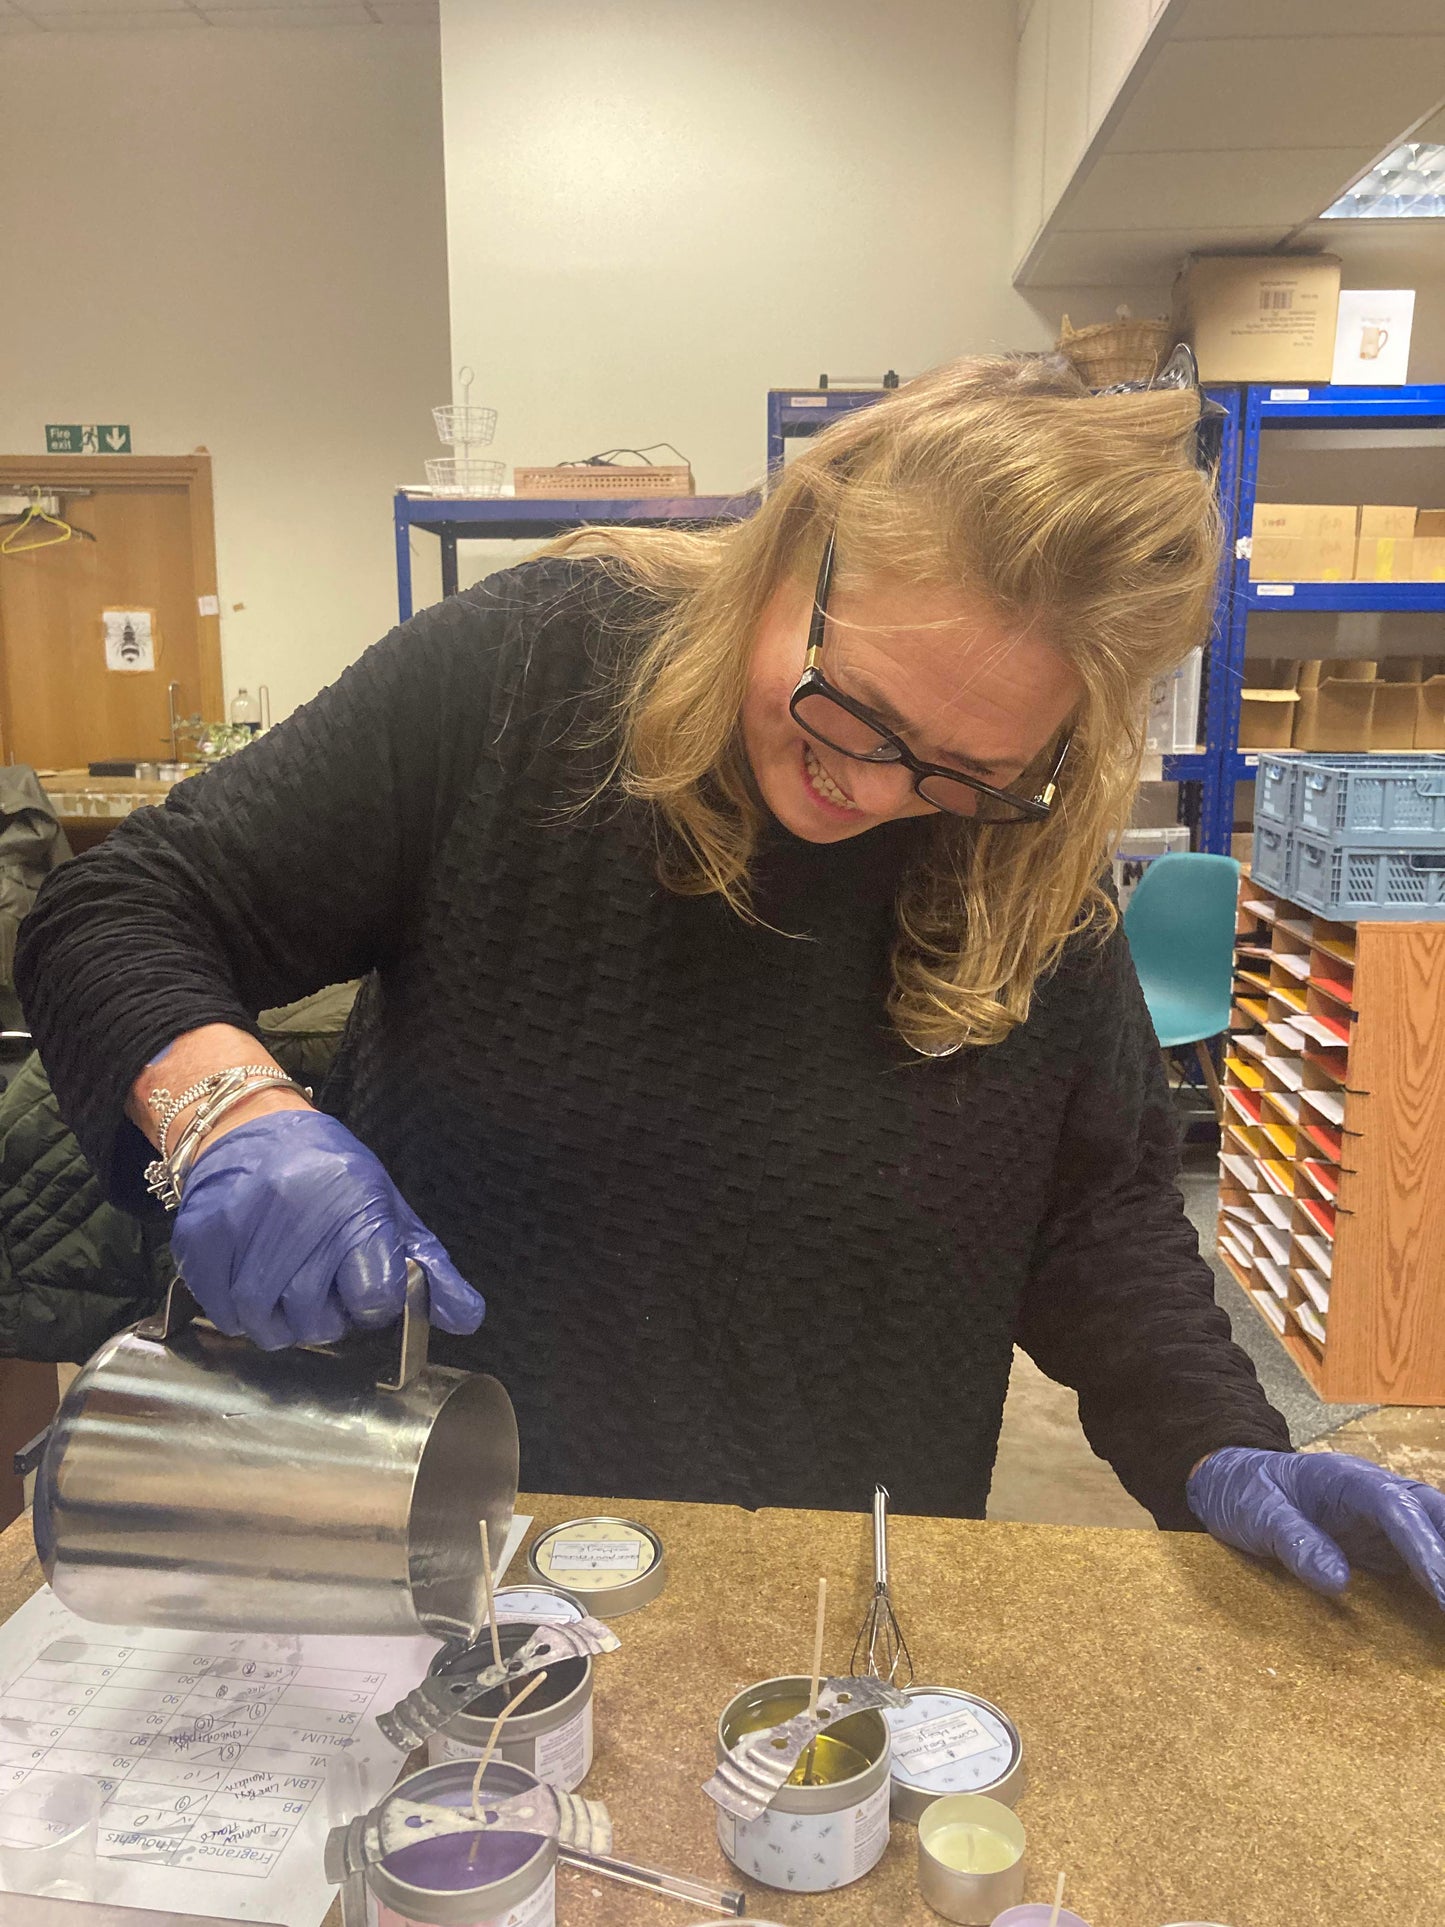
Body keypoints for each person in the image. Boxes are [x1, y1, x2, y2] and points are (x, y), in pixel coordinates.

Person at [16, 354, 1445, 1610]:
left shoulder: (1027, 842)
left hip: (836, 1582)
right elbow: (121, 908)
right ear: (790, 547)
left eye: (958, 771)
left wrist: (1219, 1438)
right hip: (439, 1550)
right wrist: (229, 1111)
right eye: (855, 709)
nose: (872, 788)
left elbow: (1093, 1217)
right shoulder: (532, 672)